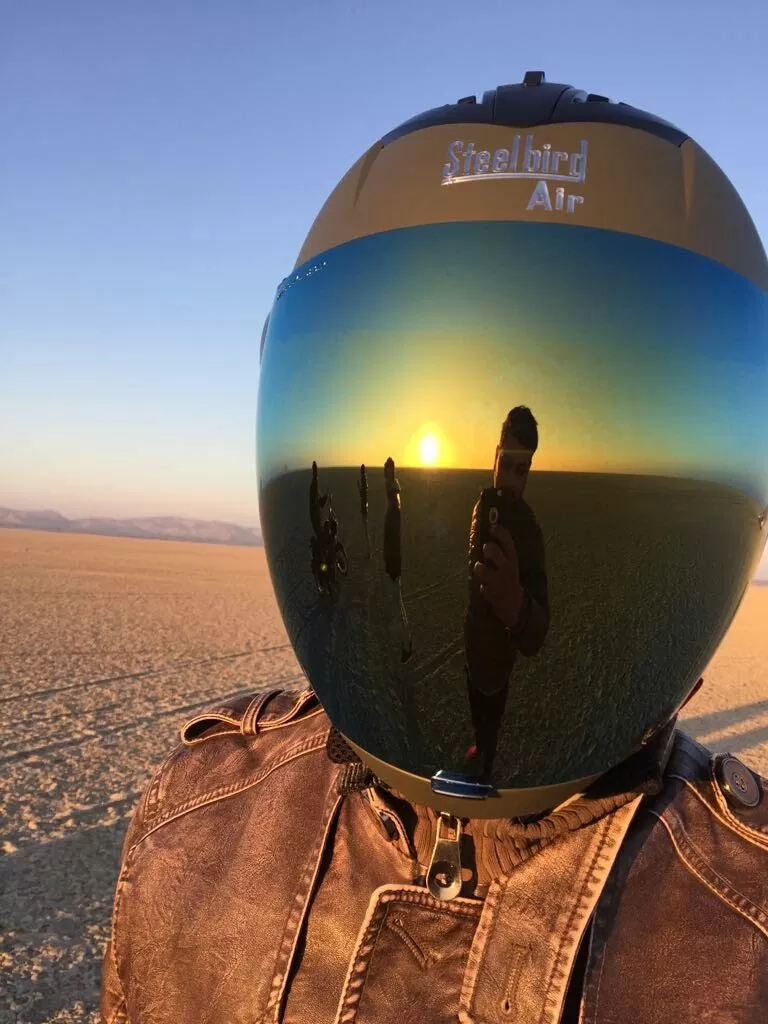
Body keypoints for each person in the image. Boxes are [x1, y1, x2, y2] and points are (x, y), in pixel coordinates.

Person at [102, 72, 768, 1023]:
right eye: (501, 450)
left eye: (518, 452)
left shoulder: (744, 930)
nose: (505, 465)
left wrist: (514, 610)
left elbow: (536, 622)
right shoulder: (196, 823)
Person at [464, 406, 549, 779]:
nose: (513, 478)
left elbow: (538, 631)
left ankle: (487, 759)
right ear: (495, 456)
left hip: (500, 656)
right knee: (474, 700)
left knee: (492, 708)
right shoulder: (481, 507)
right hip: (473, 640)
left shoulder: (528, 530)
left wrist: (516, 607)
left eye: (523, 468)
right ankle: (479, 745)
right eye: (508, 462)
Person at [383, 457, 413, 662]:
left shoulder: (394, 504)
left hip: (394, 562)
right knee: (397, 602)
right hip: (393, 561)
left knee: (396, 603)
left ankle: (406, 644)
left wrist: (391, 564)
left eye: (387, 472)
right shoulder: (394, 499)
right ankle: (405, 640)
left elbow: (392, 538)